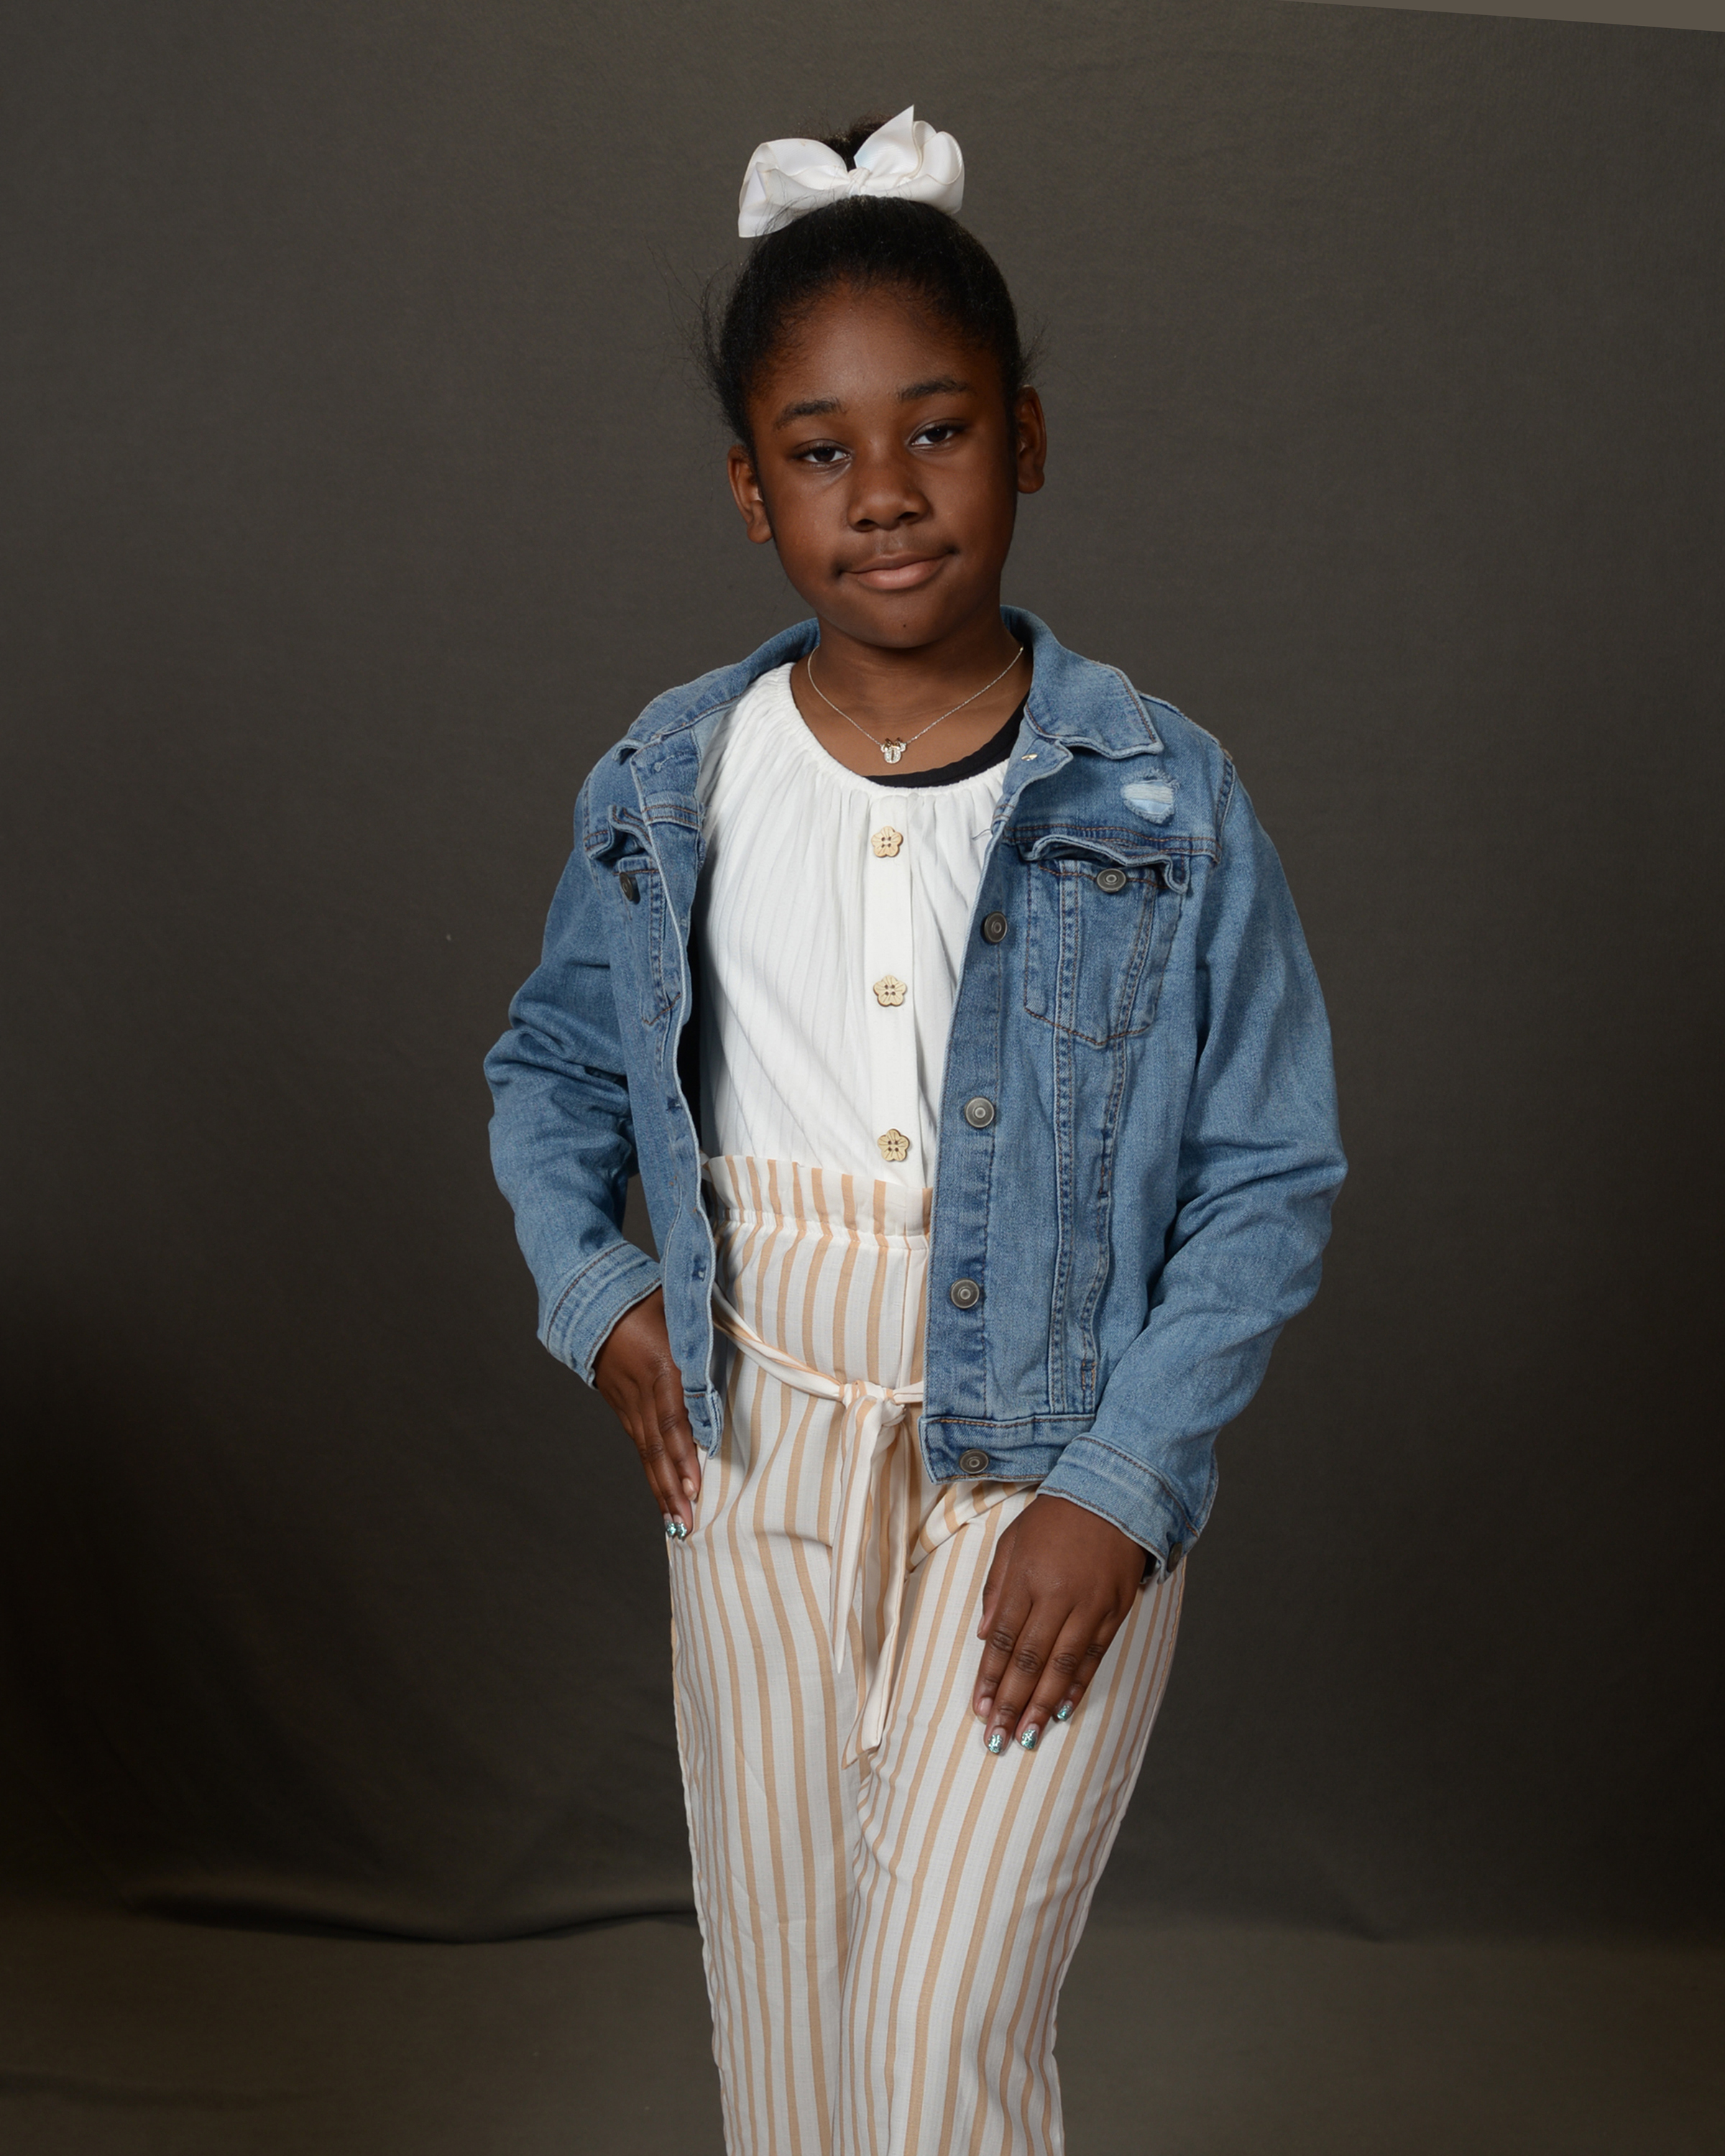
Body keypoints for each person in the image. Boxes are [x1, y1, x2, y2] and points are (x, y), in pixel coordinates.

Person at [485, 106, 1345, 2156]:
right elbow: (552, 1069)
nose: (884, 493)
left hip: (1038, 1462)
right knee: (790, 2046)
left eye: (939, 432)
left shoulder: (1164, 796)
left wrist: (1121, 1485)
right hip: (756, 1463)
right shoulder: (674, 779)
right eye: (819, 451)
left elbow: (1267, 1172)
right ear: (749, 488)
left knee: (934, 2043)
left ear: (1025, 442)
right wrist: (599, 1292)